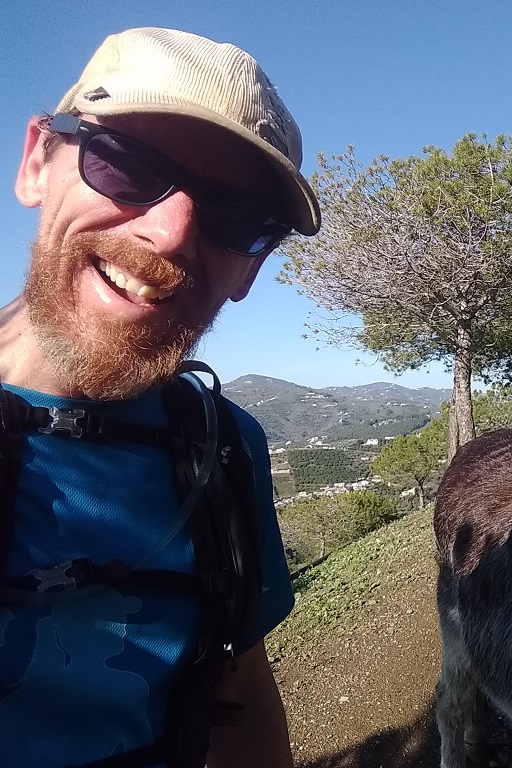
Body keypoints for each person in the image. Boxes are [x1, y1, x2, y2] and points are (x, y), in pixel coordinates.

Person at [0, 27, 320, 767]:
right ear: (35, 163)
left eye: (236, 215)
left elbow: (238, 689)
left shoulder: (223, 447)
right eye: (126, 163)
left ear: (251, 269)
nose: (172, 232)